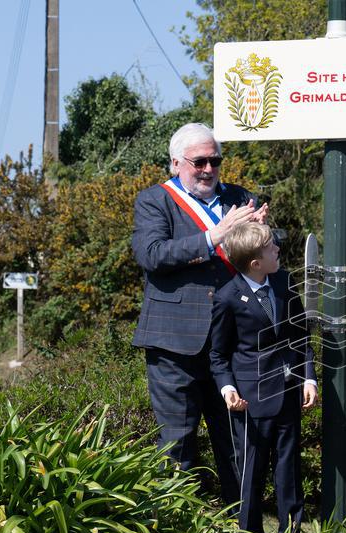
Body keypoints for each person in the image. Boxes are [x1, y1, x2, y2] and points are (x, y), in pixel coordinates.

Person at [132, 122, 269, 508]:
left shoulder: (240, 198)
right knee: (177, 442)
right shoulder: (155, 201)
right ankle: (176, 529)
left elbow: (264, 259)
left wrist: (261, 235)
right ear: (177, 163)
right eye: (200, 162)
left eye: (215, 161)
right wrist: (214, 237)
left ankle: (243, 530)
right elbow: (152, 255)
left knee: (238, 441)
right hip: (175, 345)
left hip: (233, 343)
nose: (209, 169)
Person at [209, 222, 318, 533]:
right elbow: (218, 354)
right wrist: (228, 389)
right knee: (251, 476)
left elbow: (300, 335)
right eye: (271, 247)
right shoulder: (227, 298)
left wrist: (308, 376)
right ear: (255, 263)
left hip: (288, 394)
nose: (278, 249)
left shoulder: (284, 282)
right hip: (250, 401)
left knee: (289, 474)